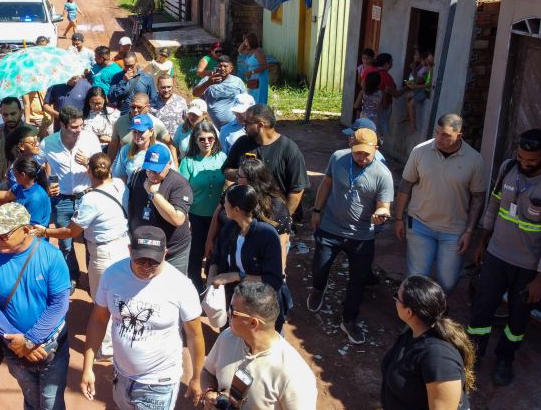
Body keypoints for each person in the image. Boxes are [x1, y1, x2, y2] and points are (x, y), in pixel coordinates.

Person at [81, 226, 205, 408]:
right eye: (140, 260)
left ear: (165, 253)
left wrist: (196, 377)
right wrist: (87, 367)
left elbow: (195, 335)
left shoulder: (181, 286)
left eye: (153, 261)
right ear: (130, 250)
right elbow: (98, 320)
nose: (146, 267)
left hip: (159, 385)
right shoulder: (112, 275)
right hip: (121, 377)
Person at [468, 128, 541, 386]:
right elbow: (494, 203)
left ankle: (505, 358)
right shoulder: (508, 168)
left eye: (531, 161)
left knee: (518, 317)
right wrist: (482, 241)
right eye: (521, 157)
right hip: (496, 255)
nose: (525, 163)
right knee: (482, 307)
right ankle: (474, 355)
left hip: (528, 267)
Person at [35, 152, 129, 358]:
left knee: (102, 302)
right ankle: (122, 339)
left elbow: (71, 232)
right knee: (121, 295)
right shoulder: (120, 185)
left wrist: (45, 231)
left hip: (104, 253)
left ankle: (106, 349)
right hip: (124, 246)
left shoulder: (90, 199)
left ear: (89, 171)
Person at [0, 203, 71, 410]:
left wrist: (30, 341)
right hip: (15, 351)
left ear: (26, 230)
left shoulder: (51, 257)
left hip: (50, 351)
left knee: (51, 404)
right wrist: (16, 341)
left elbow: (59, 304)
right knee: (30, 400)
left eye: (4, 235)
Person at [307, 128, 392, 344]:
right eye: (357, 153)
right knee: (319, 268)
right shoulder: (337, 158)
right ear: (351, 147)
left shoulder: (383, 174)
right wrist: (317, 210)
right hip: (331, 228)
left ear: (376, 149)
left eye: (367, 154)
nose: (362, 158)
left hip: (361, 236)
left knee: (357, 282)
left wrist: (381, 214)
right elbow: (326, 183)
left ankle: (349, 319)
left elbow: (384, 205)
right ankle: (319, 288)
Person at [393, 114, 487, 295]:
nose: (439, 139)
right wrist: (398, 218)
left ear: (459, 136)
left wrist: (469, 231)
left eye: (445, 135)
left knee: (448, 282)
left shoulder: (475, 160)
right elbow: (406, 184)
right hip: (420, 224)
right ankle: (414, 319)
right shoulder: (420, 151)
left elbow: (478, 197)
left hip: (454, 231)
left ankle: (435, 313)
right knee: (416, 279)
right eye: (437, 133)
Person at [202, 282, 318, 410]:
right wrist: (209, 392)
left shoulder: (294, 375)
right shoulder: (227, 337)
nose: (228, 313)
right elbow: (207, 372)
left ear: (253, 323)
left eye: (233, 311)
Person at [382, 276, 474, 410]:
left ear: (408, 312)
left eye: (397, 297)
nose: (395, 299)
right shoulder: (412, 332)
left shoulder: (439, 359)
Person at [40, 106, 103, 291]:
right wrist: (46, 184)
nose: (79, 130)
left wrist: (88, 162)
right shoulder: (48, 143)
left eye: (81, 125)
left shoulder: (90, 139)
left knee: (91, 241)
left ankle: (93, 277)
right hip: (62, 201)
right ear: (63, 125)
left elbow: (102, 166)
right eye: (74, 127)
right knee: (65, 243)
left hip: (87, 198)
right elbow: (34, 166)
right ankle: (72, 275)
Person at [208, 185, 286, 328]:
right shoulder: (229, 228)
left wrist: (237, 276)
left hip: (259, 311)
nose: (223, 205)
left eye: (225, 203)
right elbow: (217, 258)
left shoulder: (267, 235)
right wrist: (211, 282)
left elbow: (274, 280)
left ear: (236, 210)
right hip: (234, 307)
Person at [223, 104, 310, 218]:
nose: (243, 126)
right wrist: (242, 174)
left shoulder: (288, 149)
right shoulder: (242, 143)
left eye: (247, 123)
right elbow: (226, 171)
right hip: (246, 218)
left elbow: (297, 189)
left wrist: (282, 219)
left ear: (260, 125)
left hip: (276, 216)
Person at [128, 143, 193, 274]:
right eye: (149, 169)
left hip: (173, 250)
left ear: (169, 164)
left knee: (173, 289)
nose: (152, 174)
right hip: (144, 249)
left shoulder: (179, 183)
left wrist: (153, 194)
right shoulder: (137, 177)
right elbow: (131, 207)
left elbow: (177, 219)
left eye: (157, 170)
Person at [178, 121, 226, 293]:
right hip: (196, 217)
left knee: (215, 255)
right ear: (195, 141)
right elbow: (181, 191)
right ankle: (196, 289)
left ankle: (212, 289)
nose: (207, 142)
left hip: (218, 215)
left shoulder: (222, 158)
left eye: (210, 138)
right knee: (195, 256)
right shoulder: (188, 162)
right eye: (202, 139)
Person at [107, 92, 175, 162]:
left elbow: (170, 144)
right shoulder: (120, 122)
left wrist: (175, 165)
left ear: (148, 107)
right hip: (125, 166)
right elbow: (113, 146)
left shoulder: (156, 123)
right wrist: (108, 166)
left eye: (139, 107)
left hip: (149, 167)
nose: (135, 110)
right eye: (133, 107)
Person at [0, 96, 35, 187]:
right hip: (2, 187)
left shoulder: (32, 133)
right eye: (5, 115)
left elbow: (43, 162)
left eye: (13, 114)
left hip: (25, 188)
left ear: (21, 112)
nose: (9, 118)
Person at [192, 55, 246, 129]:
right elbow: (195, 93)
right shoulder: (208, 79)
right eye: (220, 66)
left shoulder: (238, 81)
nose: (222, 68)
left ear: (231, 68)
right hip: (213, 127)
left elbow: (245, 101)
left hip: (234, 125)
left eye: (225, 66)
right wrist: (209, 83)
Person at [112, 114, 156, 184]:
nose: (137, 136)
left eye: (141, 132)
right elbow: (120, 176)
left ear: (151, 131)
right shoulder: (126, 150)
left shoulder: (160, 150)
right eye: (134, 131)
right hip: (131, 192)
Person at [405, 51, 433, 134]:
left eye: (429, 58)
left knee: (411, 104)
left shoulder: (430, 69)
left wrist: (416, 86)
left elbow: (429, 85)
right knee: (407, 96)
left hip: (426, 92)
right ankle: (408, 116)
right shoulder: (426, 68)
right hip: (423, 89)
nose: (427, 60)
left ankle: (413, 126)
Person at [238, 33, 269, 105]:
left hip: (260, 78)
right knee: (252, 97)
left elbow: (264, 66)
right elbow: (239, 50)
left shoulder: (258, 51)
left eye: (247, 42)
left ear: (252, 42)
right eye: (245, 42)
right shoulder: (250, 51)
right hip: (252, 78)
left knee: (259, 98)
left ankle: (260, 114)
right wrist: (245, 40)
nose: (245, 44)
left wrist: (251, 72)